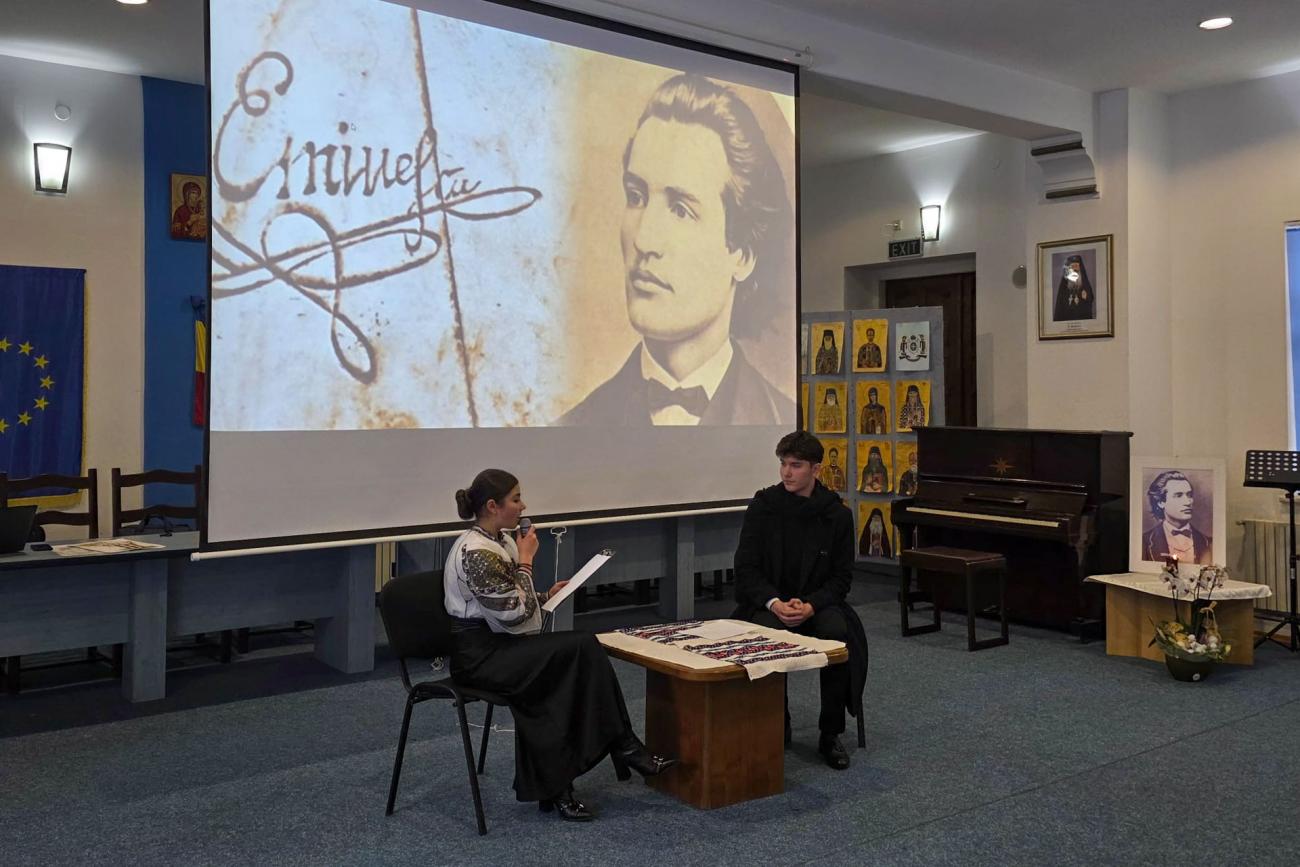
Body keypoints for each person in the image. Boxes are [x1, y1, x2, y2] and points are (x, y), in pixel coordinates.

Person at [557, 73, 793, 426]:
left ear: (742, 254)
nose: (643, 239)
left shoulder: (785, 421)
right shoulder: (572, 427)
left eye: (681, 210)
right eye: (636, 196)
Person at [443, 469, 676, 821]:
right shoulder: (476, 551)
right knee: (580, 648)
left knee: (566, 672)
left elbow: (512, 602)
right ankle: (623, 746)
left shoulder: (500, 541)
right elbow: (512, 615)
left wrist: (545, 595)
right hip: (480, 657)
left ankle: (565, 783)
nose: (523, 506)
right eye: (516, 499)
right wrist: (527, 561)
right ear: (492, 506)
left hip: (504, 646)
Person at [732, 431, 868, 770]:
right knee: (763, 636)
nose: (786, 472)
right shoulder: (763, 507)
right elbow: (746, 568)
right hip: (770, 602)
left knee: (838, 636)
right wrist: (773, 602)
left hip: (818, 602)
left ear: (816, 469)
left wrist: (811, 605)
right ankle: (776, 722)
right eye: (783, 464)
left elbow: (842, 577)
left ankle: (830, 733)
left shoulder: (836, 515)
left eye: (796, 465)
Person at [1141, 470, 1212, 564]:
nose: (1188, 502)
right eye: (1178, 495)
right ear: (1161, 502)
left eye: (1189, 495)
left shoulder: (1208, 543)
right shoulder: (1145, 542)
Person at [1052, 253, 1095, 322]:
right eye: (1072, 266)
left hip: (1081, 318)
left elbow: (1091, 298)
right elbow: (1059, 303)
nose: (1075, 269)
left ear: (1080, 268)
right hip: (1066, 318)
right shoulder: (1064, 283)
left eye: (1076, 266)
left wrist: (1086, 297)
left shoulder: (1085, 282)